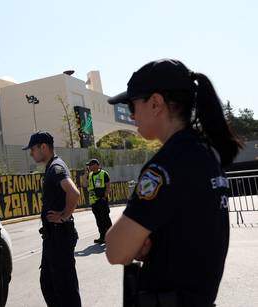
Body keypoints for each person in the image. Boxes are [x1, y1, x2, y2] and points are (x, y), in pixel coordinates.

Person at [104, 59, 242, 307]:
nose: (131, 115)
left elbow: (116, 251)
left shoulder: (166, 165)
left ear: (155, 103)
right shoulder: (206, 153)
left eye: (132, 105)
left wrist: (132, 240)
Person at [23, 131, 82, 307]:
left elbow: (74, 192)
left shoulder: (56, 168)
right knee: (48, 283)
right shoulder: (52, 167)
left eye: (33, 149)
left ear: (43, 147)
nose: (31, 153)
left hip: (60, 236)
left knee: (65, 287)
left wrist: (64, 216)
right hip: (53, 237)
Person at [84, 159, 112, 244]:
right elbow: (84, 185)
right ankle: (102, 237)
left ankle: (112, 236)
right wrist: (86, 175)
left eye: (90, 165)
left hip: (102, 200)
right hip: (94, 201)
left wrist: (104, 197)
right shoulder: (90, 175)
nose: (89, 167)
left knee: (105, 219)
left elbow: (108, 187)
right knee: (99, 220)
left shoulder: (103, 174)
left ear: (96, 165)